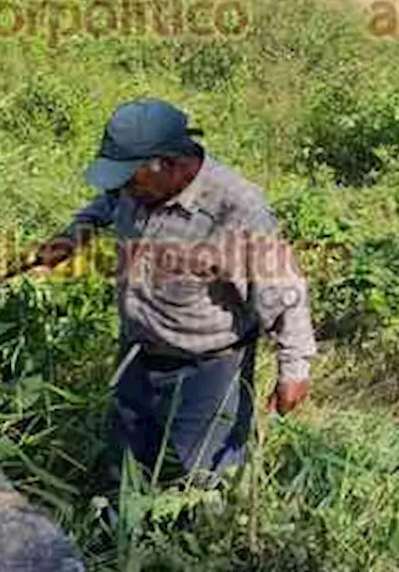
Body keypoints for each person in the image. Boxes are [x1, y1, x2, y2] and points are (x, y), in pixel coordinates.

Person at [38, 99, 316, 487]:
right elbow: (106, 202)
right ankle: (118, 535)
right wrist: (75, 234)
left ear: (170, 163)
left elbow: (283, 292)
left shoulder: (236, 211)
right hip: (137, 350)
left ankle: (199, 536)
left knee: (200, 479)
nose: (125, 191)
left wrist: (294, 369)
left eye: (131, 180)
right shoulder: (134, 187)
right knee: (125, 464)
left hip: (209, 366)